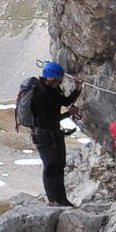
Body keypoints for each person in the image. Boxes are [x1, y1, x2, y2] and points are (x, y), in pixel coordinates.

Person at [30, 61, 82, 206]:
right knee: (51, 165)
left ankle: (62, 199)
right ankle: (53, 199)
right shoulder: (40, 94)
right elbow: (47, 118)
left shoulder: (52, 90)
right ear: (50, 78)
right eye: (59, 80)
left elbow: (64, 101)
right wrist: (68, 114)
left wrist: (77, 89)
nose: (60, 83)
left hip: (53, 132)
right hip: (44, 134)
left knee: (59, 164)